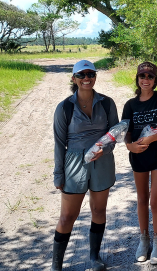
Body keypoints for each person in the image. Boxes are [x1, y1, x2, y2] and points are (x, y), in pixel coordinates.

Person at [50, 60, 119, 271]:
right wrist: (58, 174)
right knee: (68, 216)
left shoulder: (107, 103)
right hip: (74, 164)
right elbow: (59, 143)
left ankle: (94, 256)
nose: (86, 78)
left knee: (99, 210)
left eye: (90, 74)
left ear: (95, 77)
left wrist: (105, 149)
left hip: (102, 162)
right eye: (81, 75)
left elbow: (114, 134)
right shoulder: (64, 108)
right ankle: (56, 265)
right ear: (74, 79)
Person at [122, 62, 157, 265]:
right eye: (142, 76)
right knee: (141, 199)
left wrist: (151, 139)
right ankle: (143, 239)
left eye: (150, 76)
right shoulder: (130, 105)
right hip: (138, 158)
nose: (145, 80)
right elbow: (126, 133)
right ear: (137, 80)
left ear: (155, 80)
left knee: (155, 201)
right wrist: (130, 146)